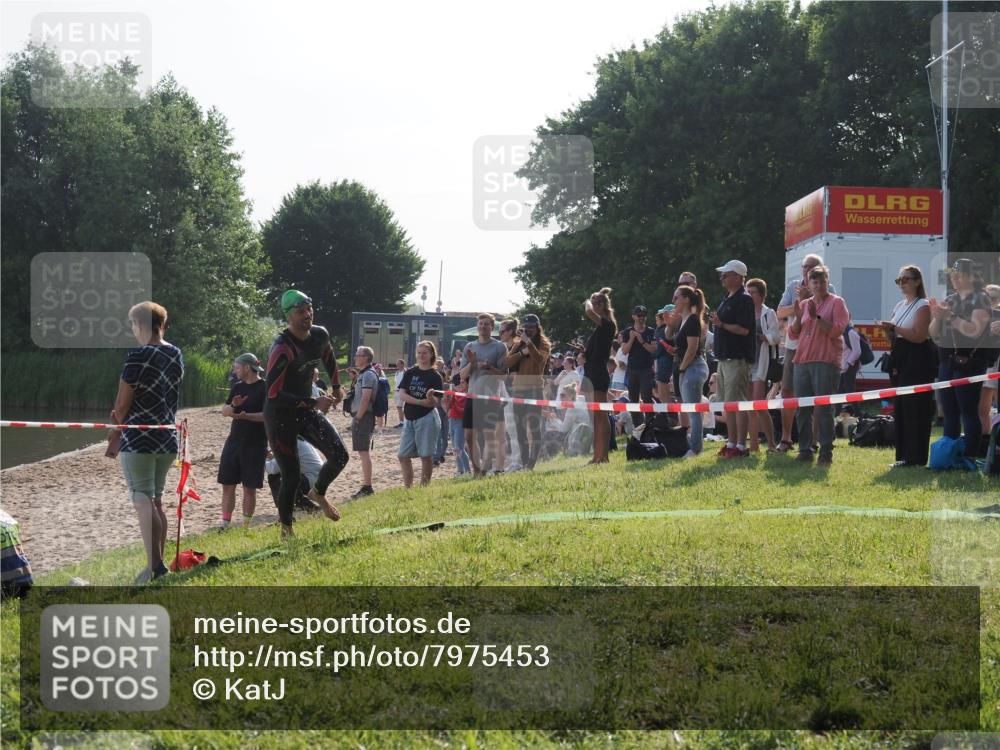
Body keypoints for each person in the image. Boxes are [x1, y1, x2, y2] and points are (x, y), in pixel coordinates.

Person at [109, 301, 183, 584]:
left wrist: (115, 428)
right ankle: (159, 564)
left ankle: (154, 567)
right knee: (157, 503)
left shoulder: (137, 355)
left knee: (143, 502)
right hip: (167, 437)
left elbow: (122, 402)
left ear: (140, 325)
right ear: (161, 324)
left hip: (139, 439)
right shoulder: (175, 353)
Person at [263, 290, 348, 539]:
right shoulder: (282, 348)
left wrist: (336, 386)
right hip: (280, 416)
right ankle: (287, 528)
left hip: (305, 410)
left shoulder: (320, 335)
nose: (307, 315)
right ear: (289, 316)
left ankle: (318, 492)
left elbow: (329, 358)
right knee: (290, 475)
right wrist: (313, 400)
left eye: (309, 309)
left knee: (340, 456)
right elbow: (272, 395)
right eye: (301, 312)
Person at [929, 258, 992, 458]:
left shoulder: (981, 299)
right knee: (949, 412)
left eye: (960, 274)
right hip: (946, 360)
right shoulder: (950, 299)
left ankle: (969, 456)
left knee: (968, 411)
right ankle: (949, 454)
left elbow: (974, 331)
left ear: (972, 277)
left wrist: (950, 317)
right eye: (953, 274)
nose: (955, 278)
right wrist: (938, 316)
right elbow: (933, 333)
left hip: (969, 362)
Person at [788, 265, 850, 465]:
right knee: (802, 408)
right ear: (809, 284)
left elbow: (836, 332)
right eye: (814, 281)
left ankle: (825, 452)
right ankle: (805, 449)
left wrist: (817, 318)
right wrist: (798, 317)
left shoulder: (837, 303)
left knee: (823, 409)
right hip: (802, 360)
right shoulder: (804, 304)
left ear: (827, 282)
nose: (819, 284)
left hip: (825, 361)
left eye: (822, 280)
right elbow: (793, 334)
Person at [776, 254, 836, 452]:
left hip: (817, 349)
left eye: (811, 267)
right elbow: (780, 312)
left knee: (817, 396)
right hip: (793, 346)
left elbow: (829, 316)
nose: (807, 270)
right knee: (787, 391)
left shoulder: (829, 288)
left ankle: (813, 440)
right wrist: (799, 303)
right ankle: (786, 438)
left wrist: (806, 299)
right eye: (804, 267)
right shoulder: (793, 285)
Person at [878, 265, 935, 468]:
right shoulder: (899, 305)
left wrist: (896, 328)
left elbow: (919, 336)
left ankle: (916, 457)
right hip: (900, 358)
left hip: (918, 359)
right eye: (899, 280)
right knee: (901, 408)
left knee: (915, 407)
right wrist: (888, 331)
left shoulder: (923, 305)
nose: (902, 283)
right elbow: (894, 339)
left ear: (917, 281)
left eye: (906, 279)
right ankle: (903, 455)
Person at [710, 260, 756, 458]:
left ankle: (740, 446)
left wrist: (721, 324)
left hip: (737, 359)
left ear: (737, 277)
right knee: (728, 403)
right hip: (723, 358)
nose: (722, 277)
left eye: (726, 274)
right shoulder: (727, 298)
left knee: (738, 403)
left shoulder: (744, 299)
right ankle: (731, 442)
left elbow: (744, 329)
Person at [217, 353, 267, 530]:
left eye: (237, 367)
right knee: (227, 484)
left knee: (249, 487)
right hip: (234, 441)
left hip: (256, 443)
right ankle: (225, 524)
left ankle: (245, 526)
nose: (235, 370)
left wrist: (248, 416)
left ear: (247, 367)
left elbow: (268, 416)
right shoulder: (237, 387)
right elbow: (224, 411)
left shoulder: (265, 387)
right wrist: (234, 406)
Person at [460, 313, 509, 476]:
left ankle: (485, 470)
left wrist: (489, 367)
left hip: (490, 397)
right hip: (473, 396)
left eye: (487, 324)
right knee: (468, 436)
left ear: (492, 327)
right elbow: (461, 375)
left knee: (489, 435)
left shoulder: (500, 347)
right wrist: (473, 364)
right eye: (481, 324)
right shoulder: (469, 347)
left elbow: (503, 375)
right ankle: (476, 469)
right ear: (477, 326)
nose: (483, 327)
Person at [505, 313, 551, 470]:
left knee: (534, 426)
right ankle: (525, 462)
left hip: (535, 389)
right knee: (520, 428)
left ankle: (531, 464)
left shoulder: (544, 343)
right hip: (518, 390)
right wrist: (521, 352)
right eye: (526, 327)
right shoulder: (519, 343)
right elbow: (507, 362)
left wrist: (529, 344)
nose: (528, 330)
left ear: (537, 328)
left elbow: (540, 360)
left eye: (531, 328)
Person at [398, 340, 444, 487]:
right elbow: (402, 394)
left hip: (427, 418)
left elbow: (435, 401)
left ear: (431, 354)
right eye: (419, 352)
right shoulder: (410, 372)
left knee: (425, 455)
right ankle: (408, 488)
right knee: (403, 455)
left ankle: (424, 487)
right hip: (409, 418)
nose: (421, 355)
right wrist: (419, 401)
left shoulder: (435, 376)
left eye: (425, 352)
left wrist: (429, 398)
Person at [672, 285, 709, 457]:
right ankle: (695, 446)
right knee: (692, 410)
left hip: (693, 367)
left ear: (686, 299)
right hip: (689, 366)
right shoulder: (685, 320)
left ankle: (695, 449)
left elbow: (692, 348)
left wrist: (681, 368)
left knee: (694, 411)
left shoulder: (693, 319)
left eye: (676, 297)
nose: (674, 301)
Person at [583, 287, 617, 464]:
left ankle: (603, 456)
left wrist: (587, 301)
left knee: (601, 416)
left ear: (605, 305)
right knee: (595, 417)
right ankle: (598, 455)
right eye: (594, 302)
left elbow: (588, 311)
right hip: (591, 371)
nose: (594, 306)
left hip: (598, 373)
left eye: (598, 302)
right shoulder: (600, 327)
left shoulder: (607, 324)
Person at [746, 278, 780, 452]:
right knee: (748, 406)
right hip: (746, 362)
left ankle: (772, 443)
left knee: (759, 404)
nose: (749, 295)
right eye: (748, 292)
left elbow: (776, 336)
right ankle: (753, 444)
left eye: (752, 292)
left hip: (761, 361)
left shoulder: (769, 313)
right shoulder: (744, 312)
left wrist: (764, 337)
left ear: (761, 295)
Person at [619, 305, 657, 427]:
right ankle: (638, 427)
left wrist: (641, 340)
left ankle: (650, 426)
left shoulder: (651, 331)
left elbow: (653, 349)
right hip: (632, 369)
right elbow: (624, 351)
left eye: (644, 315)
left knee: (647, 397)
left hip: (646, 369)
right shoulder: (627, 332)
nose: (642, 318)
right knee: (633, 398)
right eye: (639, 315)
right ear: (634, 316)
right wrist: (631, 339)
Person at [349, 346, 378, 499]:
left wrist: (358, 418)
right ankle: (366, 485)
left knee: (364, 451)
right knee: (362, 451)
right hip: (363, 415)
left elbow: (366, 399)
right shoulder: (365, 374)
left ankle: (367, 486)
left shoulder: (368, 375)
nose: (355, 358)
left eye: (358, 355)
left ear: (366, 357)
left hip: (364, 416)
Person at [978, 284, 1000, 454]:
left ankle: (995, 444)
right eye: (986, 296)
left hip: (996, 364)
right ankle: (985, 445)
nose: (989, 300)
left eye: (993, 297)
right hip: (981, 364)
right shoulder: (978, 314)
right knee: (982, 408)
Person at [446, 374, 471, 475]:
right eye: (460, 382)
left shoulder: (468, 395)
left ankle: (467, 470)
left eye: (463, 382)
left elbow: (462, 411)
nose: (460, 384)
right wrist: (449, 398)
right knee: (455, 447)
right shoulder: (458, 393)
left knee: (459, 447)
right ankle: (460, 470)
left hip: (460, 421)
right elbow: (449, 407)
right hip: (452, 419)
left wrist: (453, 400)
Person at [654, 307, 675, 406]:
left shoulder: (662, 330)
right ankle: (670, 416)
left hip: (665, 361)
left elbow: (662, 347)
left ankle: (672, 417)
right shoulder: (665, 330)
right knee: (662, 395)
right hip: (663, 361)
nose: (656, 323)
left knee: (663, 395)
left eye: (657, 320)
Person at [433, 357, 450, 467]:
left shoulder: (448, 385)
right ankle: (436, 457)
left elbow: (451, 399)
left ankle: (442, 454)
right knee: (438, 435)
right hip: (437, 410)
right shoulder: (433, 385)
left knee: (445, 435)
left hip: (447, 412)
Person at [392, 358, 406, 428]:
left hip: (402, 391)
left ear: (402, 364)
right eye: (397, 364)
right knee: (399, 407)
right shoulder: (397, 372)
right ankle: (401, 422)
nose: (397, 365)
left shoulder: (405, 372)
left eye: (399, 364)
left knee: (402, 407)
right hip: (396, 391)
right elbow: (396, 382)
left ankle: (404, 422)